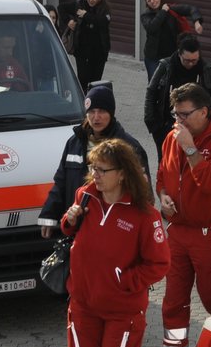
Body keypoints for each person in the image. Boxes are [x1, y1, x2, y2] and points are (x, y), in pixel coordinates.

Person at [61, 139, 170, 347]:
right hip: (82, 306)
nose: (95, 174)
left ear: (122, 174)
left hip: (123, 311)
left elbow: (159, 264)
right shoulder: (86, 198)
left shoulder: (143, 215)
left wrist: (125, 280)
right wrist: (69, 219)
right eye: (93, 167)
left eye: (102, 169)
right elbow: (68, 232)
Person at [146, 83, 211, 347]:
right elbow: (162, 174)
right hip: (178, 230)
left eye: (185, 115)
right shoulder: (172, 137)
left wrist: (190, 147)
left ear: (204, 111)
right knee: (173, 299)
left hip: (210, 232)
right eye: (176, 115)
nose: (179, 121)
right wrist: (162, 196)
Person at [38, 83, 148, 238]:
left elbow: (144, 192)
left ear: (111, 113)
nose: (96, 117)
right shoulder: (74, 142)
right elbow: (61, 181)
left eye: (102, 111)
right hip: (79, 224)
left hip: (113, 229)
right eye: (91, 111)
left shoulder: (129, 147)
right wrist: (49, 215)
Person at [143, 34, 211, 159]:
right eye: (187, 60)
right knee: (165, 161)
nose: (191, 64)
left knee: (190, 161)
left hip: (197, 128)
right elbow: (151, 91)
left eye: (194, 60)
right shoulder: (166, 66)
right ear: (179, 54)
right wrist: (151, 122)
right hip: (165, 125)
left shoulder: (205, 69)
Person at [139, 0, 203, 80]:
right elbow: (152, 28)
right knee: (154, 82)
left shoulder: (171, 9)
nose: (152, 1)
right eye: (149, 0)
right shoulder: (146, 16)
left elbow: (191, 9)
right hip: (153, 57)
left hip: (171, 55)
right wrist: (163, 12)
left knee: (171, 81)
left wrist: (197, 22)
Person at [58, 0, 112, 88]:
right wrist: (68, 21)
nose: (91, 0)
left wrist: (86, 15)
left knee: (95, 82)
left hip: (99, 53)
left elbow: (102, 21)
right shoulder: (79, 4)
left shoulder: (105, 9)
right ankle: (82, 102)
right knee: (82, 80)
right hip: (82, 51)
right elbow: (61, 8)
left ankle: (92, 102)